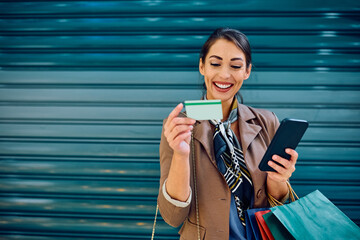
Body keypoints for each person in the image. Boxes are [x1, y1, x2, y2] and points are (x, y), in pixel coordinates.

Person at [157, 28, 297, 240]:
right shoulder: (179, 127)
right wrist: (181, 155)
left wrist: (281, 179)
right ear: (202, 66)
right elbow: (172, 216)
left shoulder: (267, 122)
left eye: (235, 66)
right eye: (215, 63)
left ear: (247, 71)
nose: (224, 74)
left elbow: (276, 204)